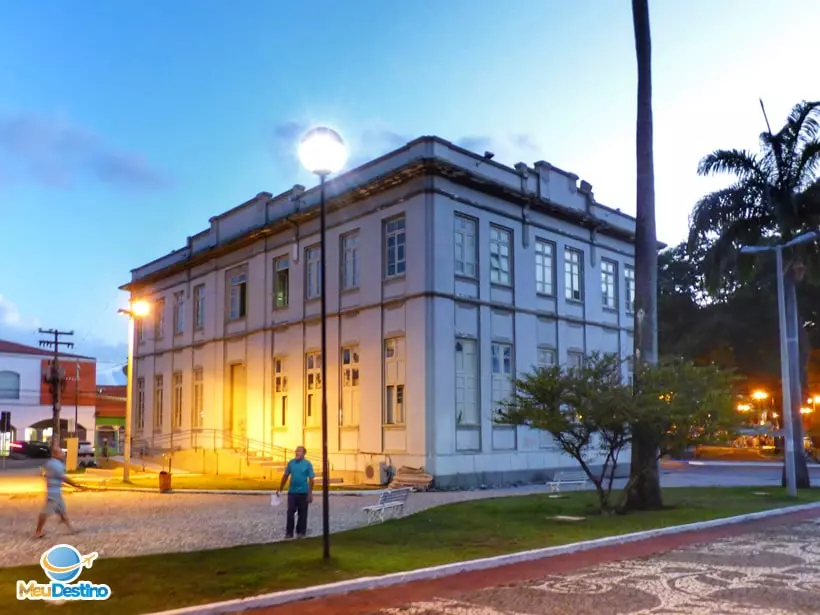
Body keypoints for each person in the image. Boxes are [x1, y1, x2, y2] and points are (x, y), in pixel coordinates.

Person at [34, 442, 86, 539]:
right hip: (53, 493)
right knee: (46, 511)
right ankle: (38, 532)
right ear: (55, 454)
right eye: (61, 452)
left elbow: (44, 471)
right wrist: (77, 485)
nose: (63, 453)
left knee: (62, 510)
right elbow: (63, 478)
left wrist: (46, 476)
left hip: (54, 490)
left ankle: (70, 528)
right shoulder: (57, 465)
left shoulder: (50, 462)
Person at [277, 446, 315, 539]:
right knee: (290, 512)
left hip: (303, 492)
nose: (297, 453)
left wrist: (310, 493)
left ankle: (301, 532)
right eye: (296, 451)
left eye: (299, 451)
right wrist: (280, 488)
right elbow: (285, 476)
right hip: (292, 492)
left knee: (302, 513)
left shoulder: (307, 464)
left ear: (304, 453)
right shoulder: (291, 463)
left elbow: (311, 479)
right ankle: (289, 533)